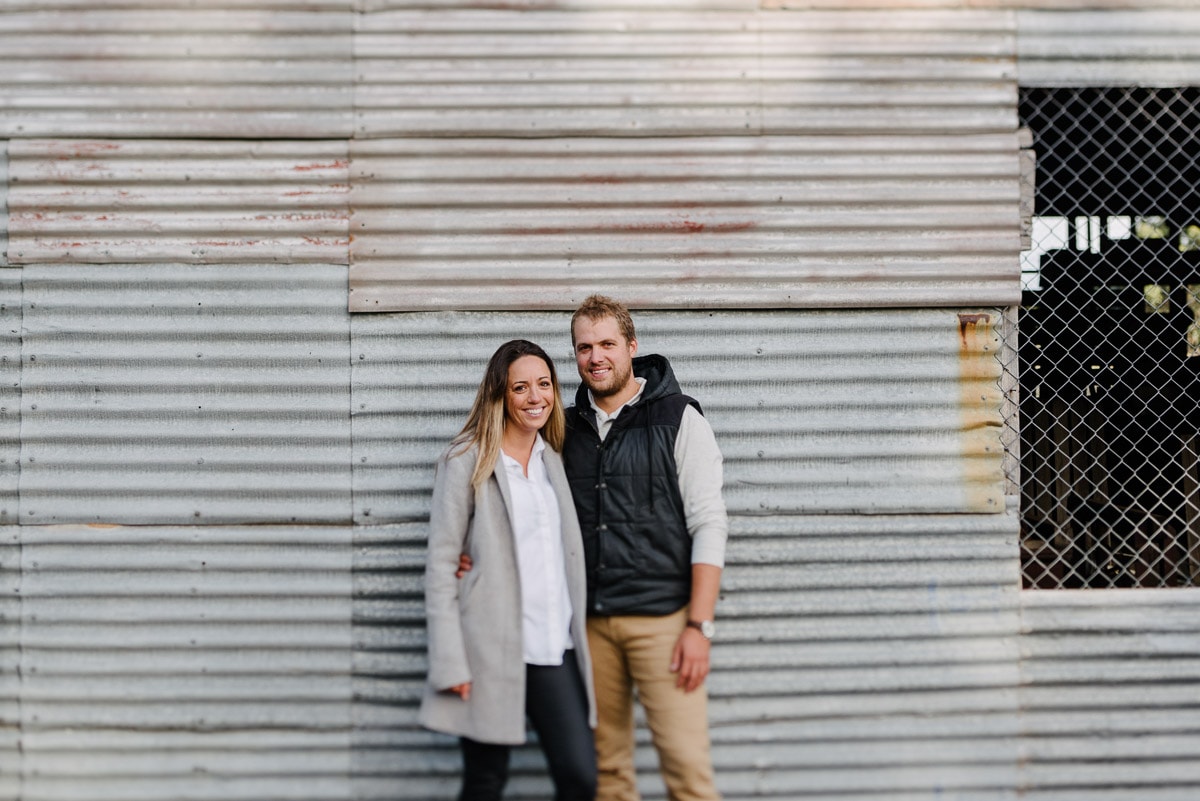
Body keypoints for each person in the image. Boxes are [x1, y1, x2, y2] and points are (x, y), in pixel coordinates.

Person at [565, 294, 728, 801]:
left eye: (607, 344)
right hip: (590, 627)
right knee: (608, 775)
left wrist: (699, 627)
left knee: (687, 772)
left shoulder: (679, 417)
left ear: (632, 346)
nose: (596, 357)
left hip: (663, 624)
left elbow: (709, 523)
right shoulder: (563, 428)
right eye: (584, 347)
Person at [419, 339, 597, 801]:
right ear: (500, 394)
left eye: (544, 384)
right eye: (521, 387)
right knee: (485, 781)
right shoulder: (465, 461)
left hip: (550, 645)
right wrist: (450, 660)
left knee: (580, 775)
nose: (535, 397)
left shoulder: (553, 460)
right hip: (487, 648)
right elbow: (441, 565)